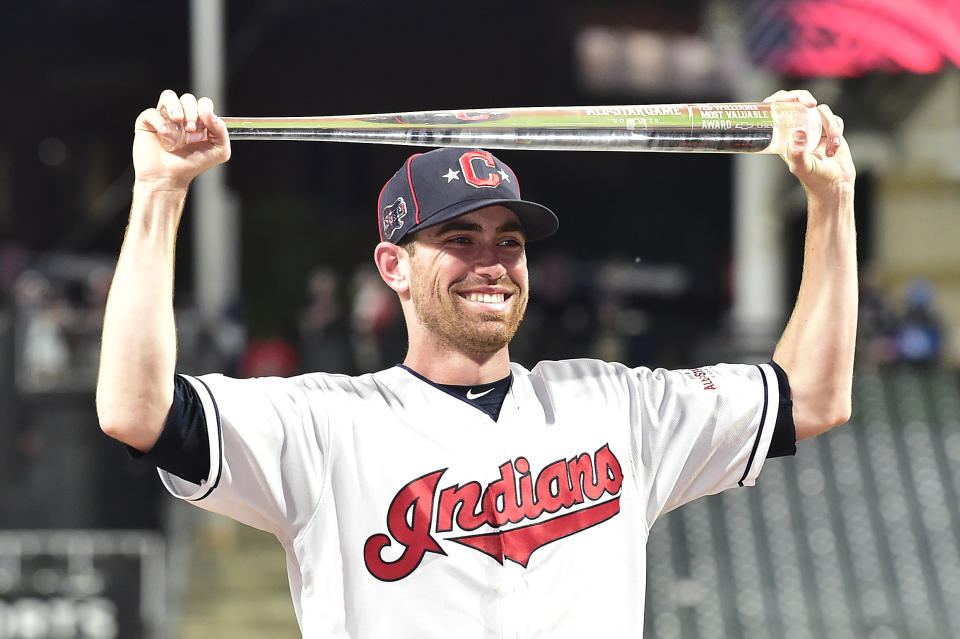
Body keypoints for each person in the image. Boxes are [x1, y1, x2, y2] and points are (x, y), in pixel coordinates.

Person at [96, 89, 857, 637]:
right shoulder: (327, 421)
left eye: (510, 242)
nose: (491, 262)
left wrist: (832, 202)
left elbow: (813, 397)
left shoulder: (614, 405)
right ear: (393, 266)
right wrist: (160, 191)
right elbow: (136, 409)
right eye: (459, 239)